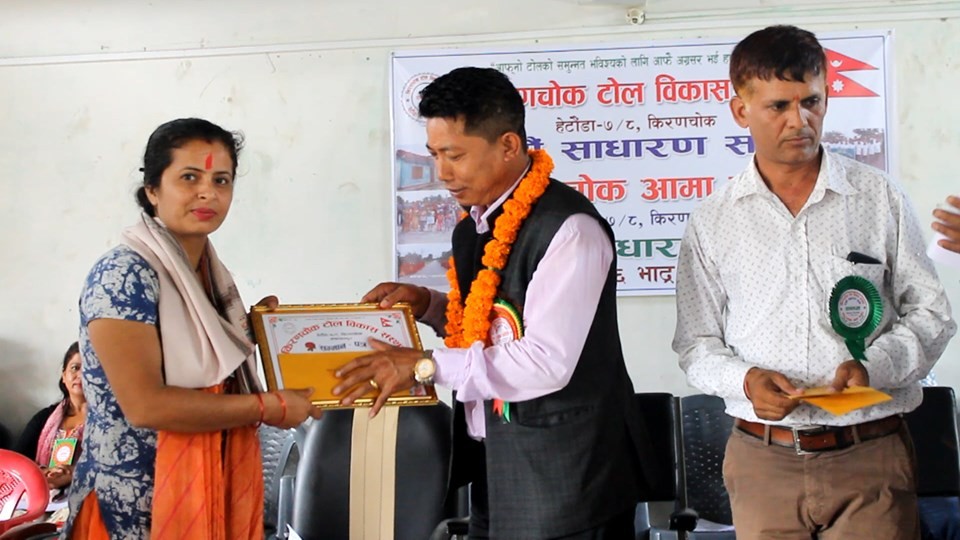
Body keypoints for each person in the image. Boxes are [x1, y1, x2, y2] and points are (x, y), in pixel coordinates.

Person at [333, 67, 656, 540]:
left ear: (508, 145)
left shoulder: (569, 230)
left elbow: (544, 361)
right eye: (434, 155)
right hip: (496, 465)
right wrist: (428, 306)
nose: (442, 173)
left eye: (454, 155)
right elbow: (492, 326)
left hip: (569, 478)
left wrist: (423, 366)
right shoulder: (473, 228)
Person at [673, 25, 956, 540]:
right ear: (741, 111)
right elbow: (696, 344)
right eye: (778, 106)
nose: (799, 121)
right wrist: (746, 381)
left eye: (812, 102)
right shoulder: (713, 219)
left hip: (870, 454)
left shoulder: (878, 198)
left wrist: (874, 366)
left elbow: (931, 314)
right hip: (763, 462)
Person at [62, 118, 323, 539]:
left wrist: (258, 333)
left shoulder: (208, 277)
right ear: (152, 190)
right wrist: (266, 407)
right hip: (136, 504)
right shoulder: (123, 274)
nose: (208, 192)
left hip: (210, 486)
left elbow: (204, 362)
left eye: (221, 180)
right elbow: (146, 406)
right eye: (189, 177)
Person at [14, 341, 86, 490]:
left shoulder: (109, 423)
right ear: (64, 376)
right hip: (41, 492)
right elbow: (16, 463)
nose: (80, 375)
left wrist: (75, 473)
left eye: (88, 369)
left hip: (85, 495)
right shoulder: (44, 418)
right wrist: (44, 473)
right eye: (75, 368)